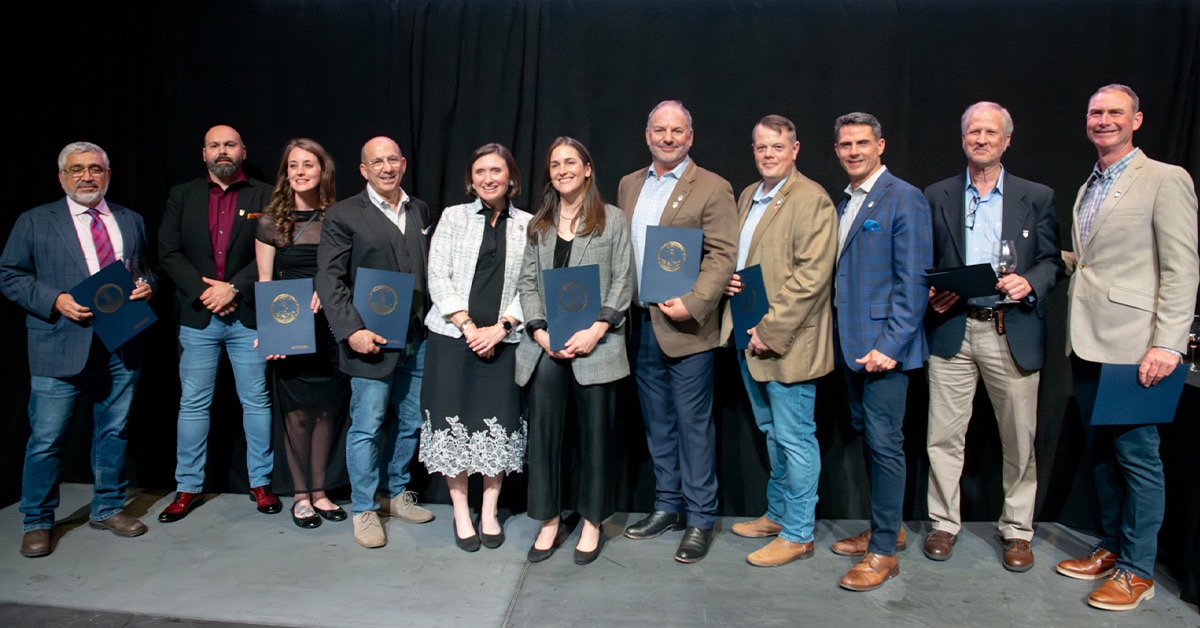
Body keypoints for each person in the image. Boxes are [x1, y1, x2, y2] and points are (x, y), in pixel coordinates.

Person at [1055, 84, 1198, 611]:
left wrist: (1168, 343)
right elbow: (1094, 260)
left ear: (1137, 119)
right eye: (1095, 112)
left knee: (1138, 456)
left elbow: (1183, 268)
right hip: (1089, 339)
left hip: (1138, 345)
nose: (1104, 120)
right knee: (1101, 453)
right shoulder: (1091, 183)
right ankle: (1113, 547)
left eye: (1115, 112)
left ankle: (1138, 571)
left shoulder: (1165, 179)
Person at [923, 102, 1065, 571]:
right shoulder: (937, 194)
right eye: (973, 132)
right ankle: (943, 522)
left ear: (1007, 140)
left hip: (1012, 329)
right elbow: (924, 259)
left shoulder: (1036, 195)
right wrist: (933, 290)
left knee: (1019, 439)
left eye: (991, 132)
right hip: (954, 331)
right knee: (943, 436)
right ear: (963, 138)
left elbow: (1051, 261)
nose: (981, 139)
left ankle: (1017, 531)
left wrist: (1032, 282)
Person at [1, 142, 153, 557]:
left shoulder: (130, 219)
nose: (87, 176)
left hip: (120, 342)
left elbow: (142, 268)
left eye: (95, 169)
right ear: (62, 177)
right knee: (48, 438)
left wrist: (146, 286)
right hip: (59, 343)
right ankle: (37, 520)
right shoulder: (35, 221)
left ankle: (107, 508)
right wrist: (55, 300)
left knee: (114, 431)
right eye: (77, 170)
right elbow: (10, 274)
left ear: (107, 174)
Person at [618, 100, 737, 563]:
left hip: (688, 327)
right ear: (647, 134)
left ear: (691, 136)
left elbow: (723, 255)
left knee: (693, 427)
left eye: (677, 131)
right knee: (658, 423)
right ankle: (667, 505)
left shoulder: (712, 187)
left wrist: (694, 303)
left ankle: (701, 517)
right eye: (660, 130)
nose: (668, 138)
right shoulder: (630, 184)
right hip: (640, 322)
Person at [721, 115, 837, 567]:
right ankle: (778, 513)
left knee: (794, 437)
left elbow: (811, 278)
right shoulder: (750, 195)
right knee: (771, 432)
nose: (768, 155)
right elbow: (751, 257)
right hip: (748, 334)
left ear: (795, 149)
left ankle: (799, 533)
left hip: (787, 342)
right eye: (760, 147)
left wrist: (769, 330)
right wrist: (731, 282)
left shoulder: (812, 200)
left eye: (777, 147)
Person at [516, 137, 633, 565]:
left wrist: (598, 329)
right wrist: (540, 332)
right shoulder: (539, 224)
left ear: (587, 168)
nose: (561, 169)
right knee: (544, 436)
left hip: (596, 344)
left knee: (596, 437)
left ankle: (591, 520)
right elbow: (527, 283)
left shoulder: (612, 220)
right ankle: (548, 519)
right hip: (548, 345)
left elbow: (623, 281)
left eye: (570, 162)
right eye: (554, 164)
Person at [315, 136, 436, 548]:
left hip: (416, 338)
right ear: (363, 170)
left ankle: (396, 492)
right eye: (376, 162)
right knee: (366, 426)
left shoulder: (419, 208)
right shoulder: (343, 214)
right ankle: (364, 508)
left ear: (403, 164)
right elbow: (328, 278)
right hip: (370, 339)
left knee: (410, 422)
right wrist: (352, 331)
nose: (386, 167)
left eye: (392, 160)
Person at [829, 112, 932, 591]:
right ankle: (886, 529)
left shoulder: (904, 197)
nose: (853, 151)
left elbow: (913, 283)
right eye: (846, 144)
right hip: (851, 348)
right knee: (871, 440)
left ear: (881, 146)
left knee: (886, 445)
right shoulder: (846, 200)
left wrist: (891, 345)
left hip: (884, 351)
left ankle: (883, 553)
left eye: (862, 143)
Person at [157, 125, 279, 522]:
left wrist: (235, 289)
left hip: (248, 316)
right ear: (204, 153)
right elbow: (168, 252)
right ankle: (188, 486)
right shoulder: (183, 194)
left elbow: (276, 248)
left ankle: (260, 482)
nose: (222, 151)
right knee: (193, 404)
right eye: (215, 145)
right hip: (198, 317)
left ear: (243, 151)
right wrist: (205, 292)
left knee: (256, 401)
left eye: (230, 145)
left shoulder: (264, 194)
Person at [418, 143, 530, 552]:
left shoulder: (529, 225)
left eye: (496, 171)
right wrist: (468, 327)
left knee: (495, 424)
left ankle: (489, 511)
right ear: (471, 178)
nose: (488, 178)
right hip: (453, 339)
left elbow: (529, 287)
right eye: (480, 171)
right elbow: (438, 277)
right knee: (454, 424)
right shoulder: (453, 218)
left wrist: (500, 329)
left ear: (510, 177)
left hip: (504, 341)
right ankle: (462, 512)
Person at [255, 138, 350, 529]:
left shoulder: (339, 218)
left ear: (322, 171)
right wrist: (268, 333)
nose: (299, 172)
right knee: (296, 415)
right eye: (293, 165)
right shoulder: (268, 222)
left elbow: (346, 274)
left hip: (329, 327)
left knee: (326, 411)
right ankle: (300, 495)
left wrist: (327, 296)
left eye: (307, 165)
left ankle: (321, 490)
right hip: (289, 327)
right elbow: (265, 280)